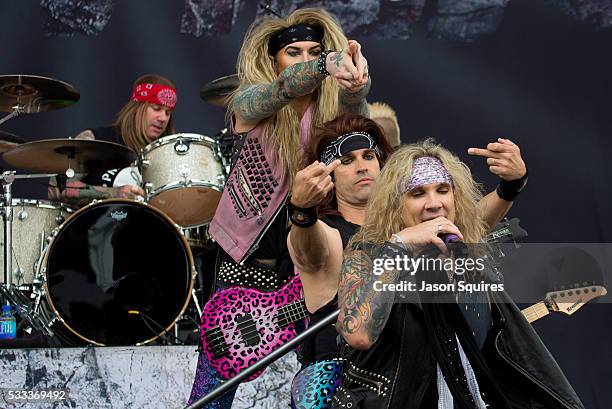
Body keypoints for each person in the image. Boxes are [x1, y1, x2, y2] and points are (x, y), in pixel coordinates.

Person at [187, 7, 371, 407]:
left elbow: (361, 139)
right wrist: (325, 62)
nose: (305, 60)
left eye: (313, 51)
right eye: (294, 52)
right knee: (213, 389)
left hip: (312, 264)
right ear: (274, 60)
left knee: (323, 384)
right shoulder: (253, 103)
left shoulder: (332, 114)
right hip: (247, 264)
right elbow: (282, 88)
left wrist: (355, 88)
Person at [287, 113, 529, 408]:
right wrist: (300, 210)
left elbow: (464, 223)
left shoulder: (415, 227)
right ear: (329, 174)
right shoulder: (331, 235)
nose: (362, 166)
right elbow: (306, 249)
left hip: (424, 381)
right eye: (347, 160)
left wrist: (510, 186)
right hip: (345, 385)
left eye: (368, 155)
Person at [331, 140, 583, 408]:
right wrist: (399, 246)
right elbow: (357, 333)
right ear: (395, 205)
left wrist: (513, 184)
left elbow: (477, 220)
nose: (434, 203)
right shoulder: (367, 255)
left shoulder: (463, 256)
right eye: (417, 193)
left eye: (443, 190)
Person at [48, 74, 177, 208]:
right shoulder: (96, 140)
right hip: (96, 226)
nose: (163, 118)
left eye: (168, 112)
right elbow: (58, 187)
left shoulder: (167, 155)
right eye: (156, 108)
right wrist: (113, 194)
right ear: (137, 108)